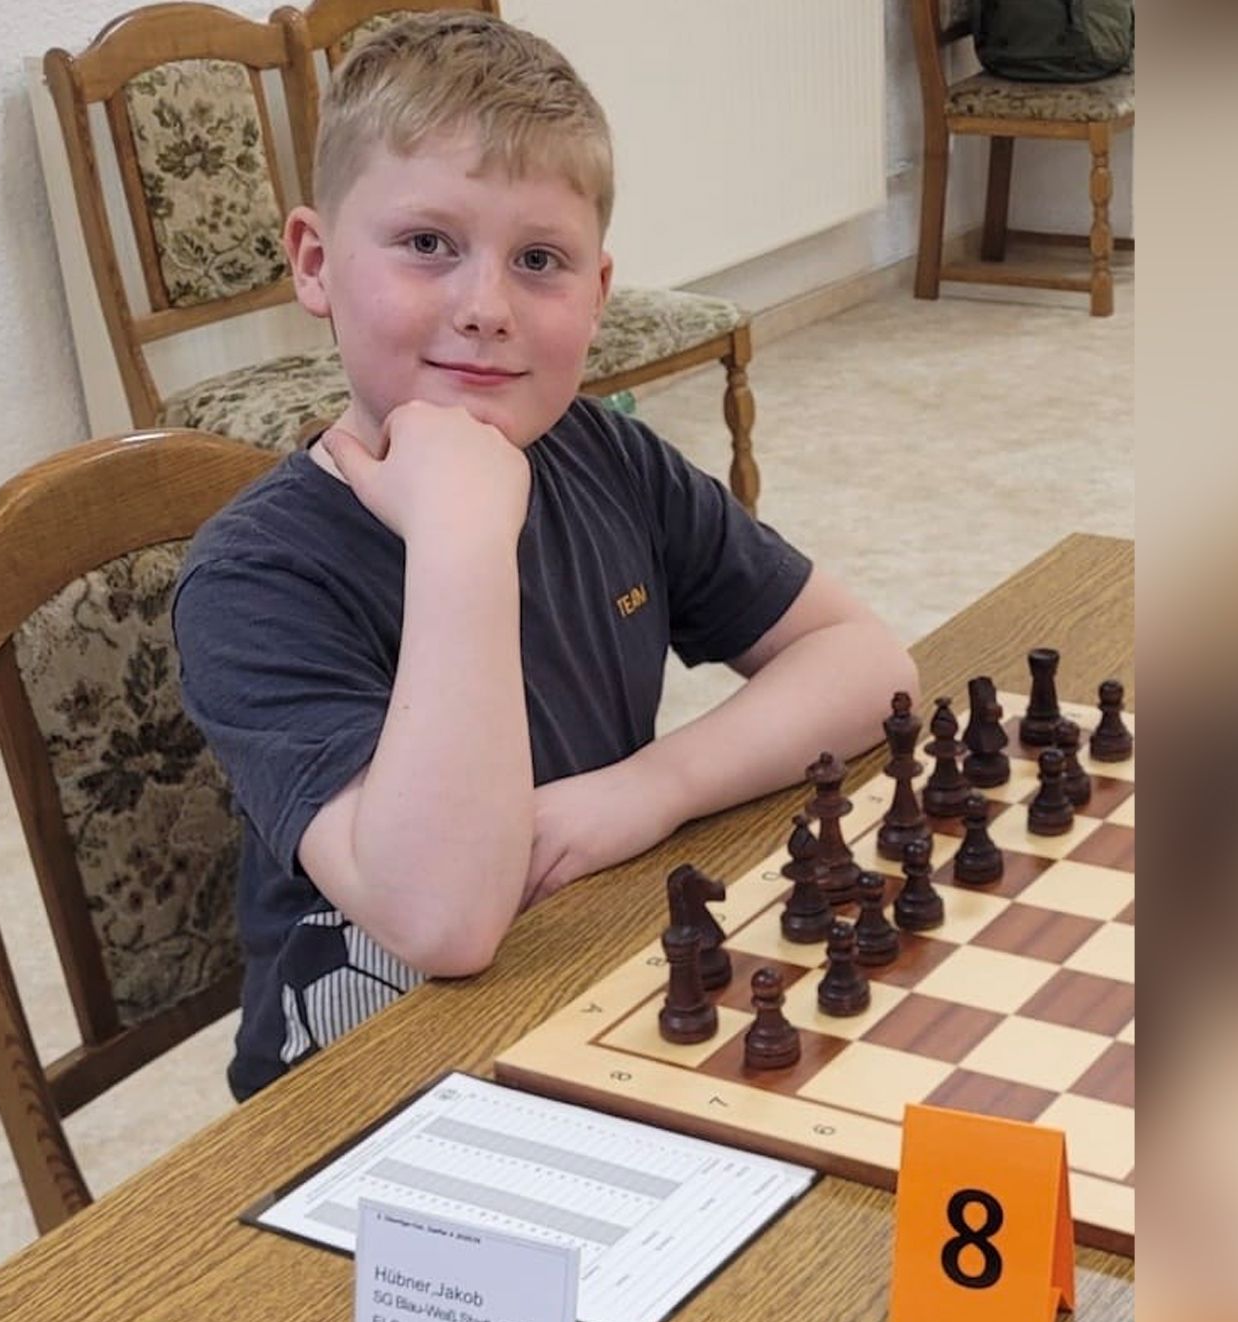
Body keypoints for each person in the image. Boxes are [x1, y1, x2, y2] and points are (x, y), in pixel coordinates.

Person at [174, 12, 916, 1101]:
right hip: (356, 1096)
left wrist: (652, 788)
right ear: (316, 262)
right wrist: (464, 538)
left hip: (585, 989)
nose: (485, 309)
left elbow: (868, 665)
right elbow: (443, 919)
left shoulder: (604, 454)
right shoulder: (253, 579)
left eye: (539, 261)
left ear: (598, 293)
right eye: (428, 244)